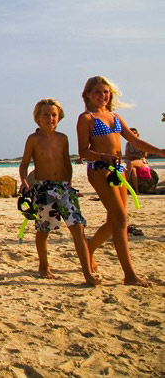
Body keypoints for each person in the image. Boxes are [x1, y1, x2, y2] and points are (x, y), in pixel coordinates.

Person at [77, 76, 162, 287]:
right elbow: (83, 151)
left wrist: (159, 151)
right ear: (87, 94)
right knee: (121, 219)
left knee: (113, 221)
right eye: (97, 91)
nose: (102, 96)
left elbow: (135, 140)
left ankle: (88, 248)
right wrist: (102, 156)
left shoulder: (114, 116)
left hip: (118, 169)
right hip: (99, 170)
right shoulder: (86, 118)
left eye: (105, 92)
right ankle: (129, 275)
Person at [19, 98, 99, 285]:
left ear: (59, 117)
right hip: (43, 189)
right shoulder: (33, 139)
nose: (50, 118)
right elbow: (24, 165)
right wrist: (24, 181)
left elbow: (66, 163)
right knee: (44, 230)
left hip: (64, 188)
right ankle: (43, 265)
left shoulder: (63, 138)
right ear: (38, 118)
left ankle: (87, 274)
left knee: (77, 227)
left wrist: (69, 185)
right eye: (46, 115)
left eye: (54, 115)